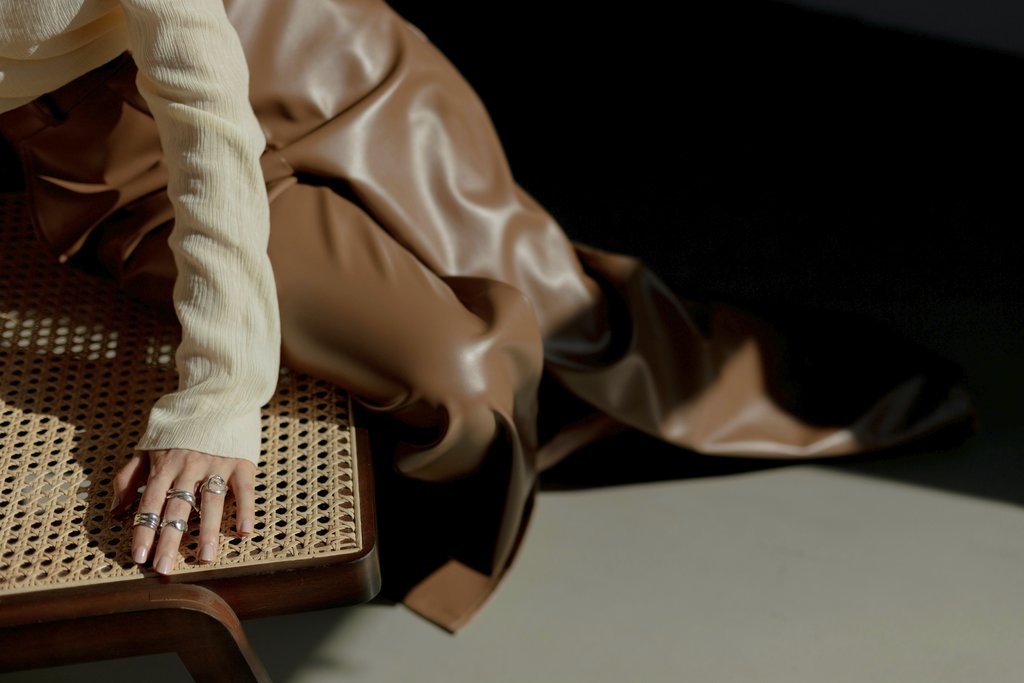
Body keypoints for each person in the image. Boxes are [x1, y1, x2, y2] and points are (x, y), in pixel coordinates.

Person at [0, 0, 971, 630]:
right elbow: (196, 166)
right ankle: (515, 450)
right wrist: (224, 397)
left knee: (569, 322)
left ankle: (718, 393)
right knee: (458, 374)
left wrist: (215, 396)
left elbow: (207, 114)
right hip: (117, 152)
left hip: (296, 50)